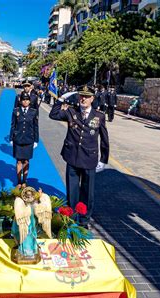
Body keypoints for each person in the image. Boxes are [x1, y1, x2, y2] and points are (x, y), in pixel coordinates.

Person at [49, 85, 109, 229]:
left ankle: (84, 219)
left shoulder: (99, 116)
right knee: (72, 190)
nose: (83, 99)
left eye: (87, 97)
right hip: (72, 157)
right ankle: (72, 217)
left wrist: (104, 159)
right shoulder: (71, 112)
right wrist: (61, 99)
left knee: (87, 192)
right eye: (81, 96)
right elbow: (53, 114)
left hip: (89, 158)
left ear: (92, 99)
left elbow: (104, 138)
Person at [9, 93, 39, 186]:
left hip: (29, 139)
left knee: (26, 161)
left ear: (29, 101)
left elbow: (35, 126)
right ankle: (19, 181)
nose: (25, 101)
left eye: (27, 100)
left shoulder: (33, 112)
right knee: (18, 161)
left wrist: (36, 140)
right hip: (18, 139)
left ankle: (24, 181)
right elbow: (13, 125)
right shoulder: (16, 111)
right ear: (20, 101)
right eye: (23, 100)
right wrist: (11, 138)